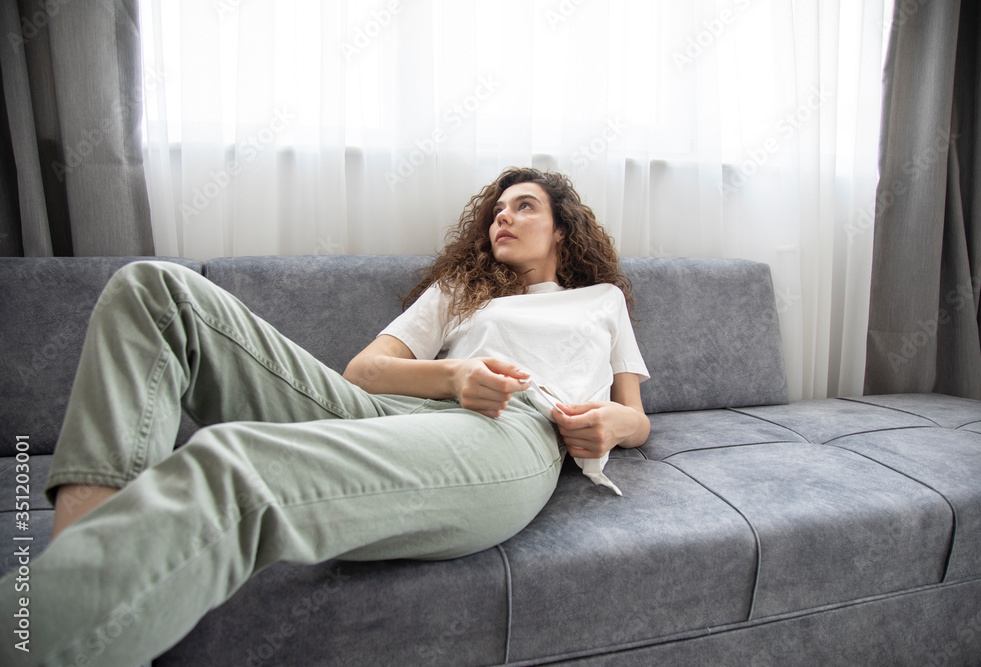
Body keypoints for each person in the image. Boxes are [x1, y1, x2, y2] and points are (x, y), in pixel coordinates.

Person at [0, 166, 649, 666]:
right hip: (390, 408)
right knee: (152, 291)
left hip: (513, 425)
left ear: (562, 230)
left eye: (525, 206)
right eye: (498, 210)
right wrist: (455, 375)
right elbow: (363, 372)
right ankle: (78, 591)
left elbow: (636, 416)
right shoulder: (460, 290)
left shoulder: (602, 300)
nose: (503, 217)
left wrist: (610, 426)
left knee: (236, 464)